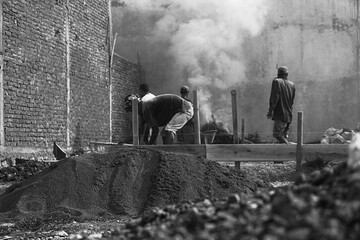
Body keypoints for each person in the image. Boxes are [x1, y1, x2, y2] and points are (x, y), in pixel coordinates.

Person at [125, 94, 194, 145]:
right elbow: (142, 129)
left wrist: (149, 145)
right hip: (181, 108)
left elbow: (155, 130)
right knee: (164, 133)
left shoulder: (146, 108)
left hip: (184, 109)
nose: (133, 113)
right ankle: (165, 152)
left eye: (131, 110)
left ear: (135, 107)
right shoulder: (143, 110)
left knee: (169, 130)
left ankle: (169, 154)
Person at [266, 66, 296, 144]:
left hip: (280, 114)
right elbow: (292, 101)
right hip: (289, 115)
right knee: (282, 135)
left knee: (277, 135)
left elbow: (274, 98)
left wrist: (270, 111)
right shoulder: (292, 85)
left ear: (278, 73)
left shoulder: (276, 81)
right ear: (287, 74)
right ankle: (286, 150)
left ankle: (289, 149)